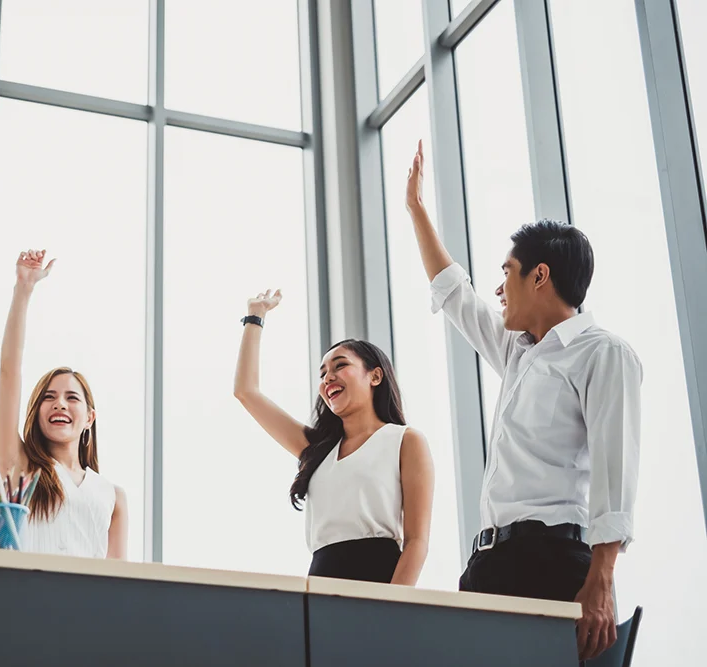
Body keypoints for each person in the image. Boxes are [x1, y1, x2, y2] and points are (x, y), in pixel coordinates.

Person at [405, 141, 641, 661]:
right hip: (489, 565)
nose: (498, 289)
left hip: (554, 563)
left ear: (540, 276)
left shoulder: (602, 353)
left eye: (506, 272)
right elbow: (455, 295)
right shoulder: (519, 352)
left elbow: (615, 470)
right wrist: (417, 210)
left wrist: (601, 581)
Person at [233, 290, 434, 584]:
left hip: (379, 579)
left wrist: (393, 603)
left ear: (375, 376)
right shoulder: (316, 449)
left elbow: (417, 541)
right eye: (322, 373)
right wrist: (255, 316)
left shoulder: (405, 440)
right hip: (320, 581)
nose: (328, 377)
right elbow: (246, 392)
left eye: (340, 365)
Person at [0, 249, 127, 558]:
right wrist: (23, 289)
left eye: (71, 397)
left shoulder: (113, 496)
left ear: (90, 417)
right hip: (30, 588)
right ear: (36, 411)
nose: (60, 405)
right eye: (49, 397)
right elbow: (9, 372)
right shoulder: (22, 468)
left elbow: (119, 577)